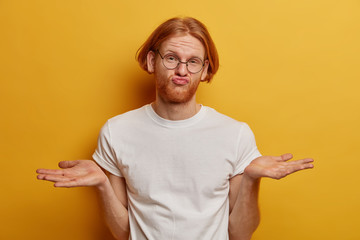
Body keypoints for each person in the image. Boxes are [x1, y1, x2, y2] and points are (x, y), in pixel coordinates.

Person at [36, 17, 314, 240]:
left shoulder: (236, 133)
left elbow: (240, 234)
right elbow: (124, 233)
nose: (182, 70)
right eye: (171, 58)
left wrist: (252, 179)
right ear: (151, 61)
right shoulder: (116, 131)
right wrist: (101, 185)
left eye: (192, 62)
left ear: (205, 71)